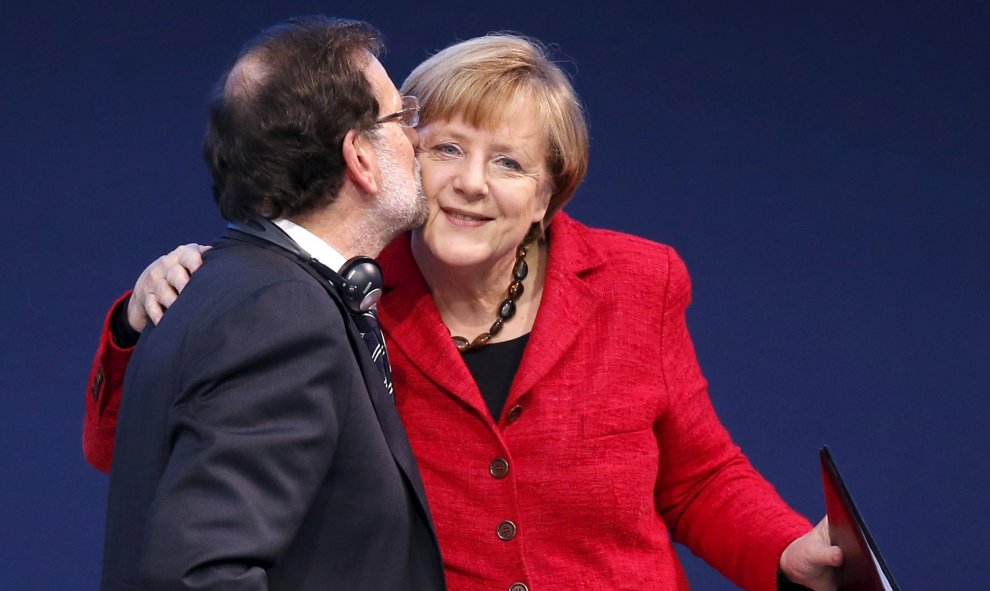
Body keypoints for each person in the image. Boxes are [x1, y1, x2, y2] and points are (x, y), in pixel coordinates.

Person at [85, 32, 840, 591]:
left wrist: (783, 550)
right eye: (446, 148)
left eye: (508, 162)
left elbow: (698, 476)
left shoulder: (639, 281)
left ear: (549, 193)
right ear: (396, 156)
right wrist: (139, 323)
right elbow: (147, 448)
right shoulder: (331, 293)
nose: (470, 183)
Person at [97, 16, 444, 591]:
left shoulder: (226, 286)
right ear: (359, 156)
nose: (416, 139)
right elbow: (199, 573)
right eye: (400, 117)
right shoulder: (283, 313)